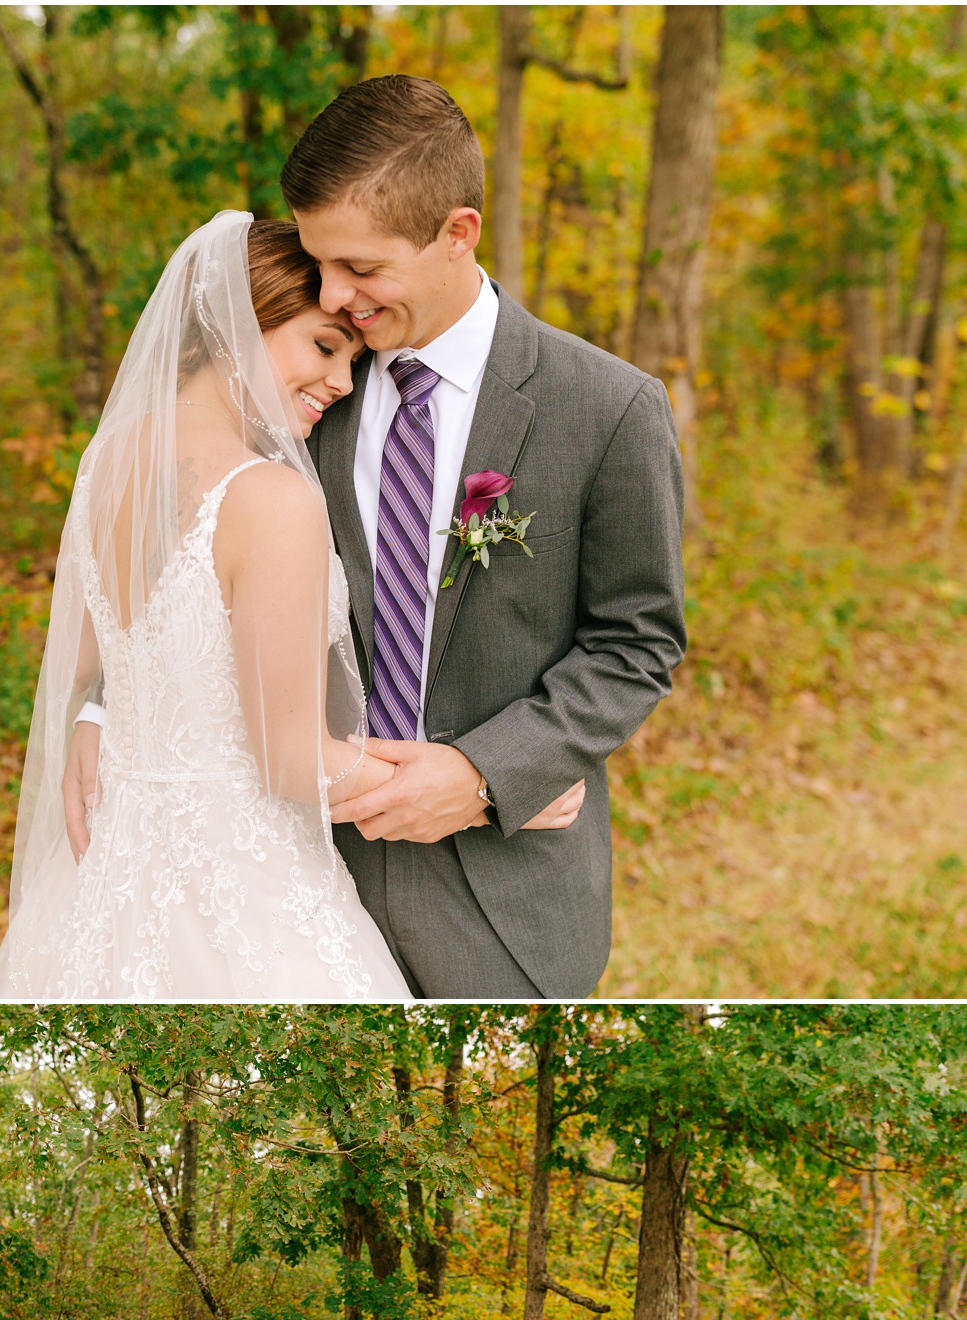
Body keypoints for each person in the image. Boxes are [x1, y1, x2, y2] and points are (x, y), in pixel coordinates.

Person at [0, 212, 577, 1001]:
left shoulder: (108, 462)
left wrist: (95, 718)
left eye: (353, 358)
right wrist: (482, 788)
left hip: (109, 872)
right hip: (242, 889)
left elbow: (104, 662)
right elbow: (293, 758)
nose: (341, 381)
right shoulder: (270, 498)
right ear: (236, 325)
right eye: (324, 347)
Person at [285, 74, 689, 998]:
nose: (334, 295)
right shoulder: (300, 384)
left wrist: (482, 773)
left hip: (507, 895)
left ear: (457, 233)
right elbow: (190, 548)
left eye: (363, 267)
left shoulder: (609, 408)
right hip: (304, 878)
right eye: (320, 262)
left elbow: (636, 644)